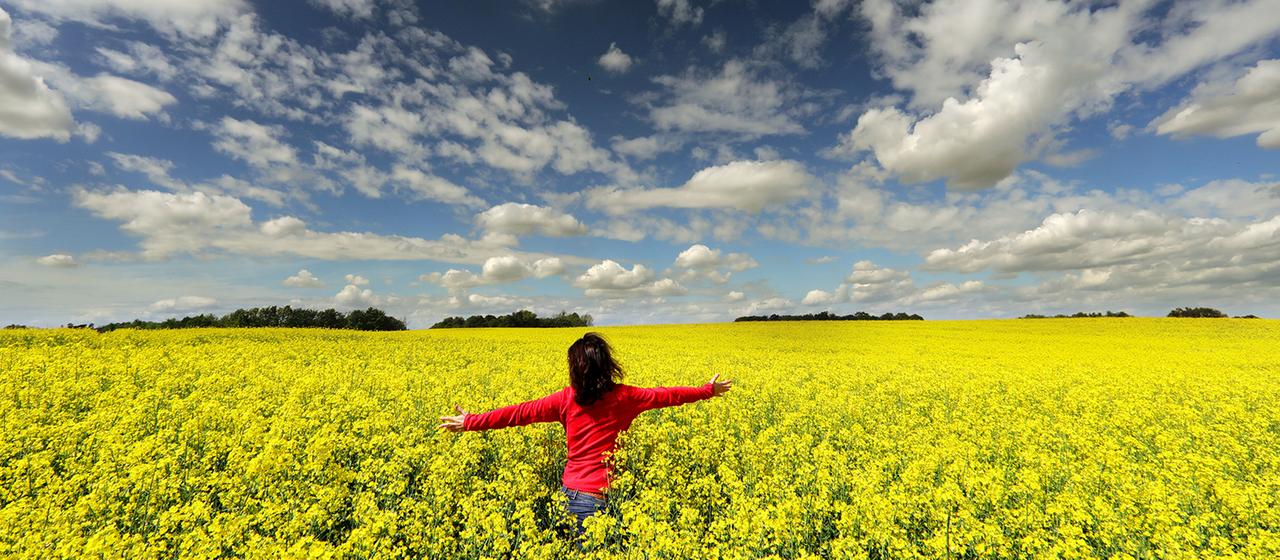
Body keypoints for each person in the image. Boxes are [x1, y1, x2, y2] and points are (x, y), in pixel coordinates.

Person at [437, 332, 733, 537]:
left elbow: (519, 413)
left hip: (567, 495)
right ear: (607, 365)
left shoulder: (565, 399)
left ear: (575, 369)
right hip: (598, 499)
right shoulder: (626, 397)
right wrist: (707, 390)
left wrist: (471, 422)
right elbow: (667, 395)